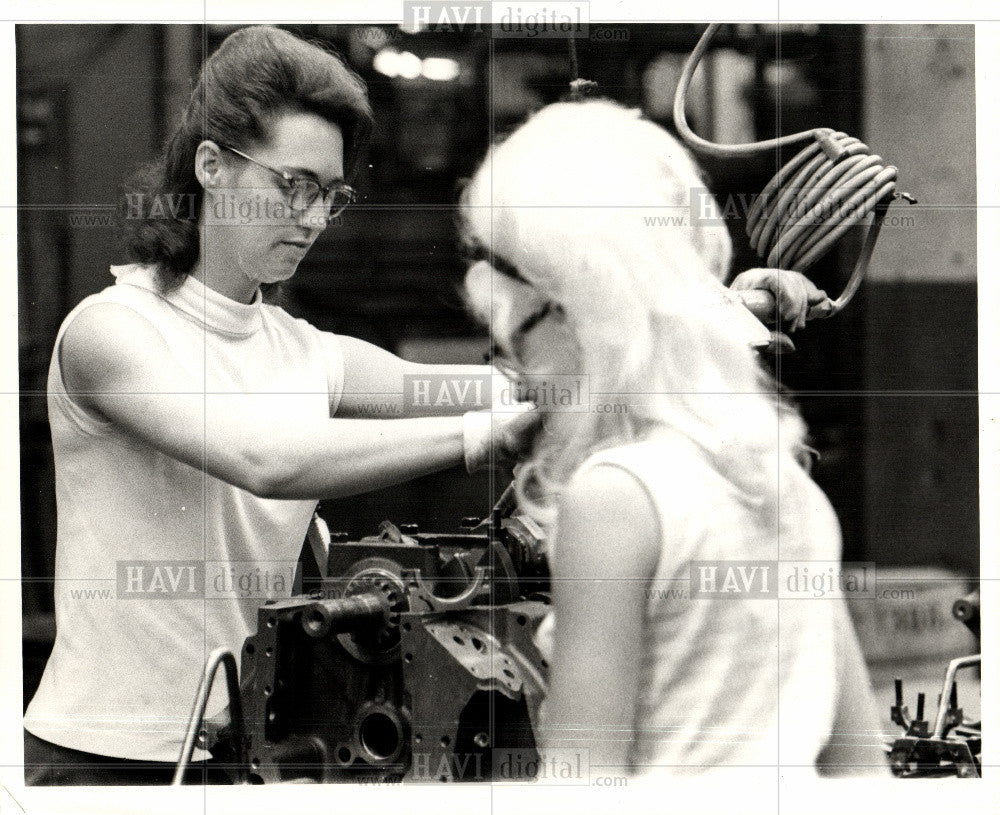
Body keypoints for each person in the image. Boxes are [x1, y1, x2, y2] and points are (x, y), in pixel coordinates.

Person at [21, 25, 537, 785]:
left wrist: (670, 333)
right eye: (292, 185)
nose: (314, 218)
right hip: (105, 760)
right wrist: (483, 436)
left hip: (248, 758)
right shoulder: (109, 334)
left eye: (330, 194)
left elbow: (480, 387)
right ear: (211, 167)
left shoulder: (305, 351)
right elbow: (266, 459)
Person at [460, 100, 888, 777]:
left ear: (576, 313)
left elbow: (581, 784)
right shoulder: (788, 486)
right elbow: (863, 774)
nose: (520, 372)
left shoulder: (618, 498)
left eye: (515, 337)